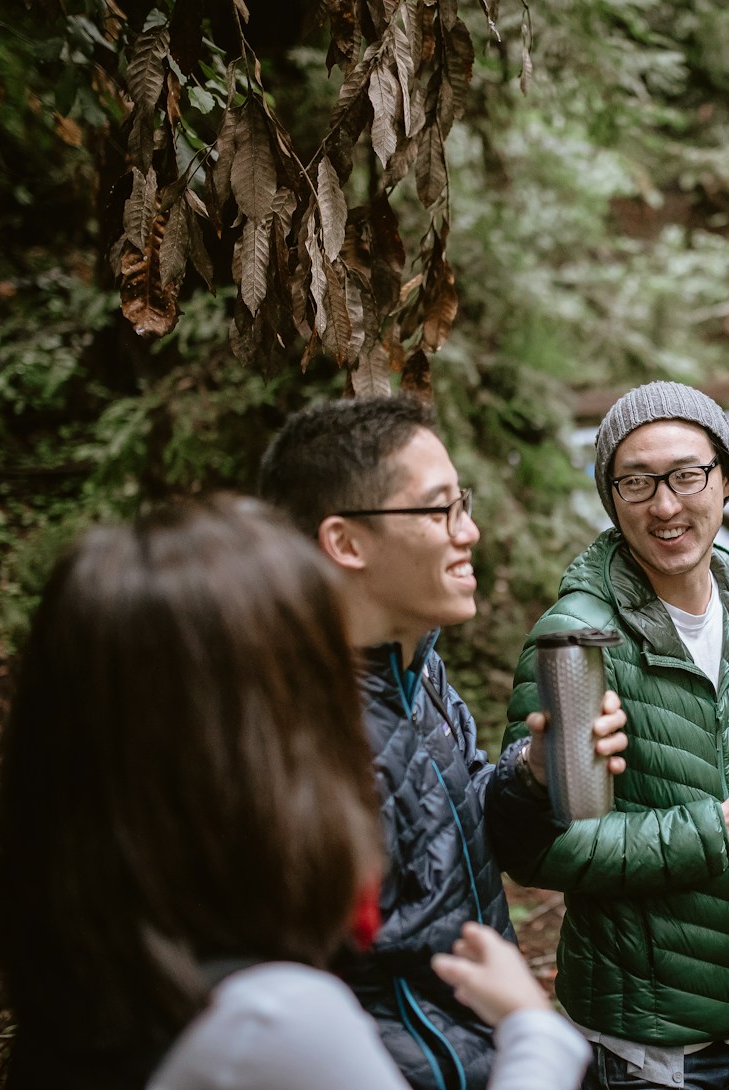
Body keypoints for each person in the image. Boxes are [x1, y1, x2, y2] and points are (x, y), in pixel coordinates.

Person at [0, 497, 590, 1090]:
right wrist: (533, 1030)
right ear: (243, 732)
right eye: (316, 668)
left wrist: (530, 774)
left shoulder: (93, 971)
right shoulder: (270, 1022)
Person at [257, 398, 625, 1090]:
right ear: (345, 542)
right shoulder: (288, 736)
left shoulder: (414, 666)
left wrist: (534, 774)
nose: (471, 532)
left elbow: (455, 827)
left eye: (466, 504)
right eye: (439, 511)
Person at [495, 382, 729, 1090]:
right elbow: (537, 846)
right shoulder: (579, 639)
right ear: (612, 497)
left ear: (725, 480)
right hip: (640, 1036)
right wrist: (723, 826)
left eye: (687, 475)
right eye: (636, 482)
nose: (665, 505)